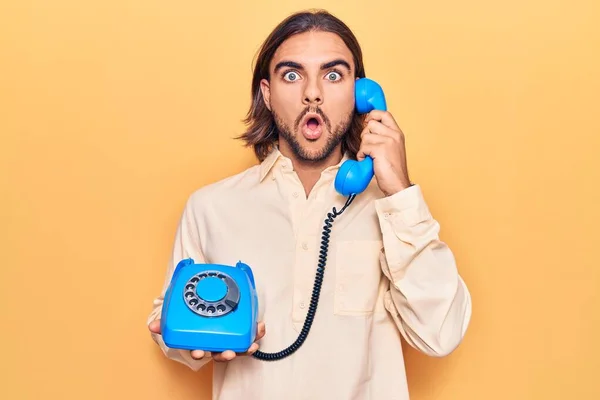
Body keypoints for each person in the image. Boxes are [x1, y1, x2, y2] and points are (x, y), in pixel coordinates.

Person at [147, 8, 472, 400]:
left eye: (333, 75)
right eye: (292, 74)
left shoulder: (392, 211)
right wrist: (185, 339)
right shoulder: (211, 207)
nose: (313, 92)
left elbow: (442, 333)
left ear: (360, 94)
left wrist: (401, 193)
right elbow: (173, 331)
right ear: (267, 93)